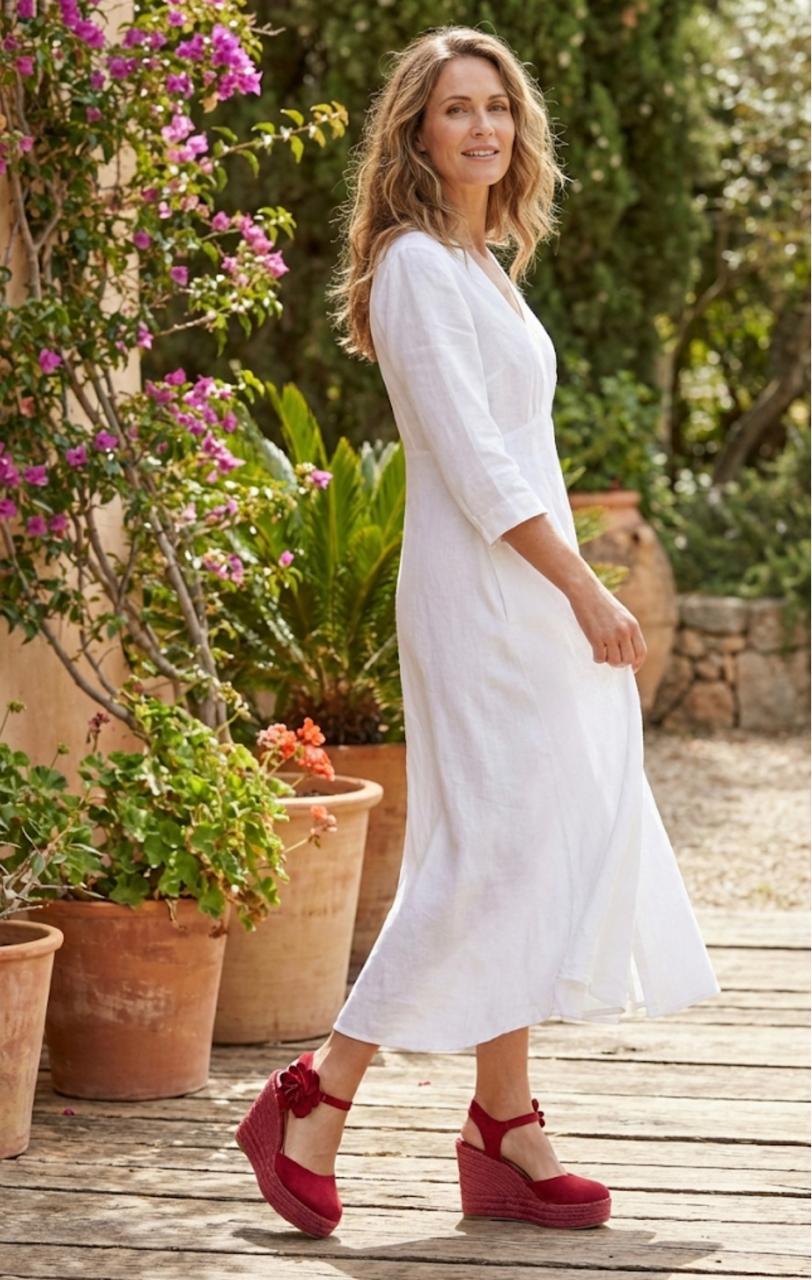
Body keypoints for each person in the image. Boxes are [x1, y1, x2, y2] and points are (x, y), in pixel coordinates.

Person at [235, 24, 722, 1239]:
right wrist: (584, 585)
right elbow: (472, 459)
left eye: (496, 107)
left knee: (520, 843)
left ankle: (502, 1121)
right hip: (484, 599)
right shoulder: (413, 266)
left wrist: (563, 588)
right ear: (414, 130)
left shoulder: (479, 263)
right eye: (456, 108)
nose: (483, 127)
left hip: (523, 594)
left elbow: (516, 451)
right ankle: (314, 1094)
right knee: (479, 854)